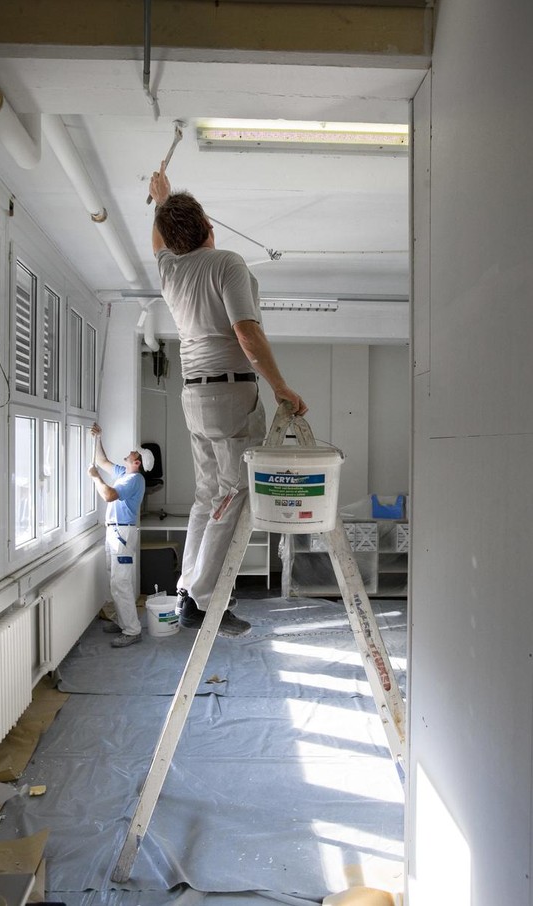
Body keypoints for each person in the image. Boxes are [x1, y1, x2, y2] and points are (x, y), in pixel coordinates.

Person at [148, 161, 308, 639]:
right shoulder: (227, 263)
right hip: (230, 393)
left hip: (193, 395)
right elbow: (246, 332)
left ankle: (186, 589)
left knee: (207, 497)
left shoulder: (170, 271)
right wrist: (282, 387)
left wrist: (161, 202)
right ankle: (200, 598)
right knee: (235, 495)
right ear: (210, 229)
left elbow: (158, 242)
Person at [88, 424, 154, 648]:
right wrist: (98, 438)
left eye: (135, 453)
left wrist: (96, 478)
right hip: (114, 531)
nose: (131, 451)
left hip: (122, 534)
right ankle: (121, 620)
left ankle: (132, 630)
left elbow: (108, 495)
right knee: (113, 577)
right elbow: (102, 461)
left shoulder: (132, 480)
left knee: (121, 582)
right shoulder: (124, 473)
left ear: (137, 462)